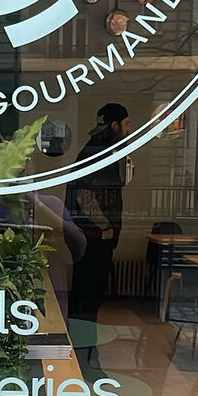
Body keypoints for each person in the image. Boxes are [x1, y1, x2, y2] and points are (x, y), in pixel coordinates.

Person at [67, 103, 131, 362]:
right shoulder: (98, 153)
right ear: (114, 125)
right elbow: (84, 196)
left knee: (87, 299)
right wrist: (105, 227)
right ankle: (85, 357)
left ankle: (85, 354)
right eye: (126, 124)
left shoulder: (97, 151)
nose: (129, 129)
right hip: (93, 241)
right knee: (88, 301)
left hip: (90, 240)